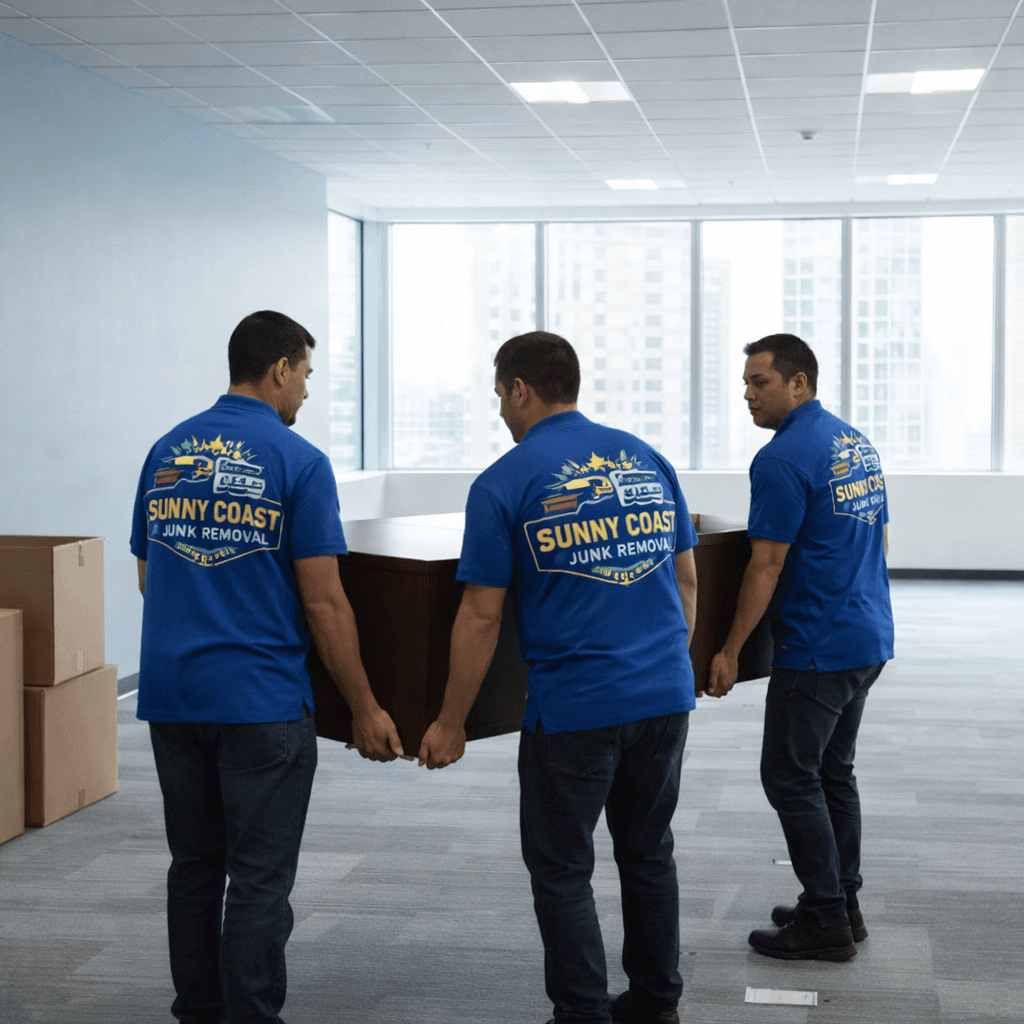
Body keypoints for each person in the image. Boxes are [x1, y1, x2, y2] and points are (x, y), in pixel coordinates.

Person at [130, 310, 404, 1024]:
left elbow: (149, 575)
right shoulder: (297, 461)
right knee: (257, 878)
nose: (306, 390)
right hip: (260, 702)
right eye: (306, 374)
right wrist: (366, 707)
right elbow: (325, 603)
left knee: (194, 867)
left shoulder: (166, 451)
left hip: (173, 696)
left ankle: (199, 1010)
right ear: (280, 369)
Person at [418, 331, 699, 1024]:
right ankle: (657, 1003)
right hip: (665, 695)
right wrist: (666, 664)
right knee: (649, 854)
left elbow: (481, 615)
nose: (500, 412)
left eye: (499, 395)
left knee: (563, 869)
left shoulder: (505, 481)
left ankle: (582, 1013)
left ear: (520, 389)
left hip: (575, 709)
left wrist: (451, 722)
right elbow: (687, 581)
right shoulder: (647, 459)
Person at [707, 333, 894, 963]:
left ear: (799, 383)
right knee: (832, 773)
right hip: (867, 634)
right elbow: (880, 539)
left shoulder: (782, 458)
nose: (747, 394)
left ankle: (824, 918)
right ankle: (842, 903)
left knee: (789, 776)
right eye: (745, 383)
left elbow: (766, 564)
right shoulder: (854, 443)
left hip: (819, 646)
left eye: (759, 382)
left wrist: (731, 650)